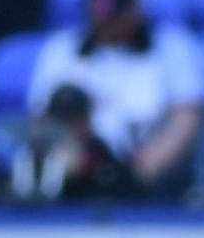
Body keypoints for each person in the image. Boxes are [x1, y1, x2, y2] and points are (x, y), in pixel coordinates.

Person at [26, 0, 204, 198]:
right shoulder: (61, 50)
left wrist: (137, 175)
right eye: (100, 11)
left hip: (149, 180)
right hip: (74, 175)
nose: (107, 22)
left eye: (115, 13)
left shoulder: (172, 47)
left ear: (135, 5)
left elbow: (186, 120)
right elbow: (42, 119)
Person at [8, 84, 144, 203]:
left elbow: (130, 196)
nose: (67, 129)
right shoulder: (33, 160)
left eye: (75, 120)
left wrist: (83, 169)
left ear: (88, 122)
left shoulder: (102, 159)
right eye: (59, 120)